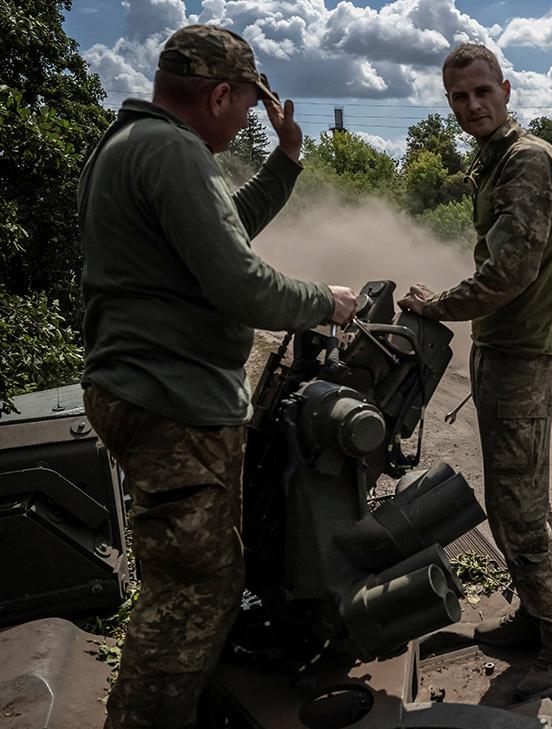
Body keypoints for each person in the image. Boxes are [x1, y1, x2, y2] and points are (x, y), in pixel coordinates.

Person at [77, 25, 357, 729]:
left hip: (148, 390)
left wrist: (286, 162)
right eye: (243, 107)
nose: (244, 122)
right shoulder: (175, 151)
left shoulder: (131, 144)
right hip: (171, 401)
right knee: (190, 594)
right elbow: (239, 280)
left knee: (202, 579)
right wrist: (328, 301)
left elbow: (220, 228)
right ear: (221, 93)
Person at [397, 42, 552, 700]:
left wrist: (440, 306)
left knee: (518, 511)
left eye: (483, 91)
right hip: (502, 350)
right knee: (512, 499)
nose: (472, 105)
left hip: (519, 353)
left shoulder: (527, 161)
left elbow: (510, 271)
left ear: (506, 91)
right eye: (459, 97)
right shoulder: (495, 163)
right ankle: (538, 617)